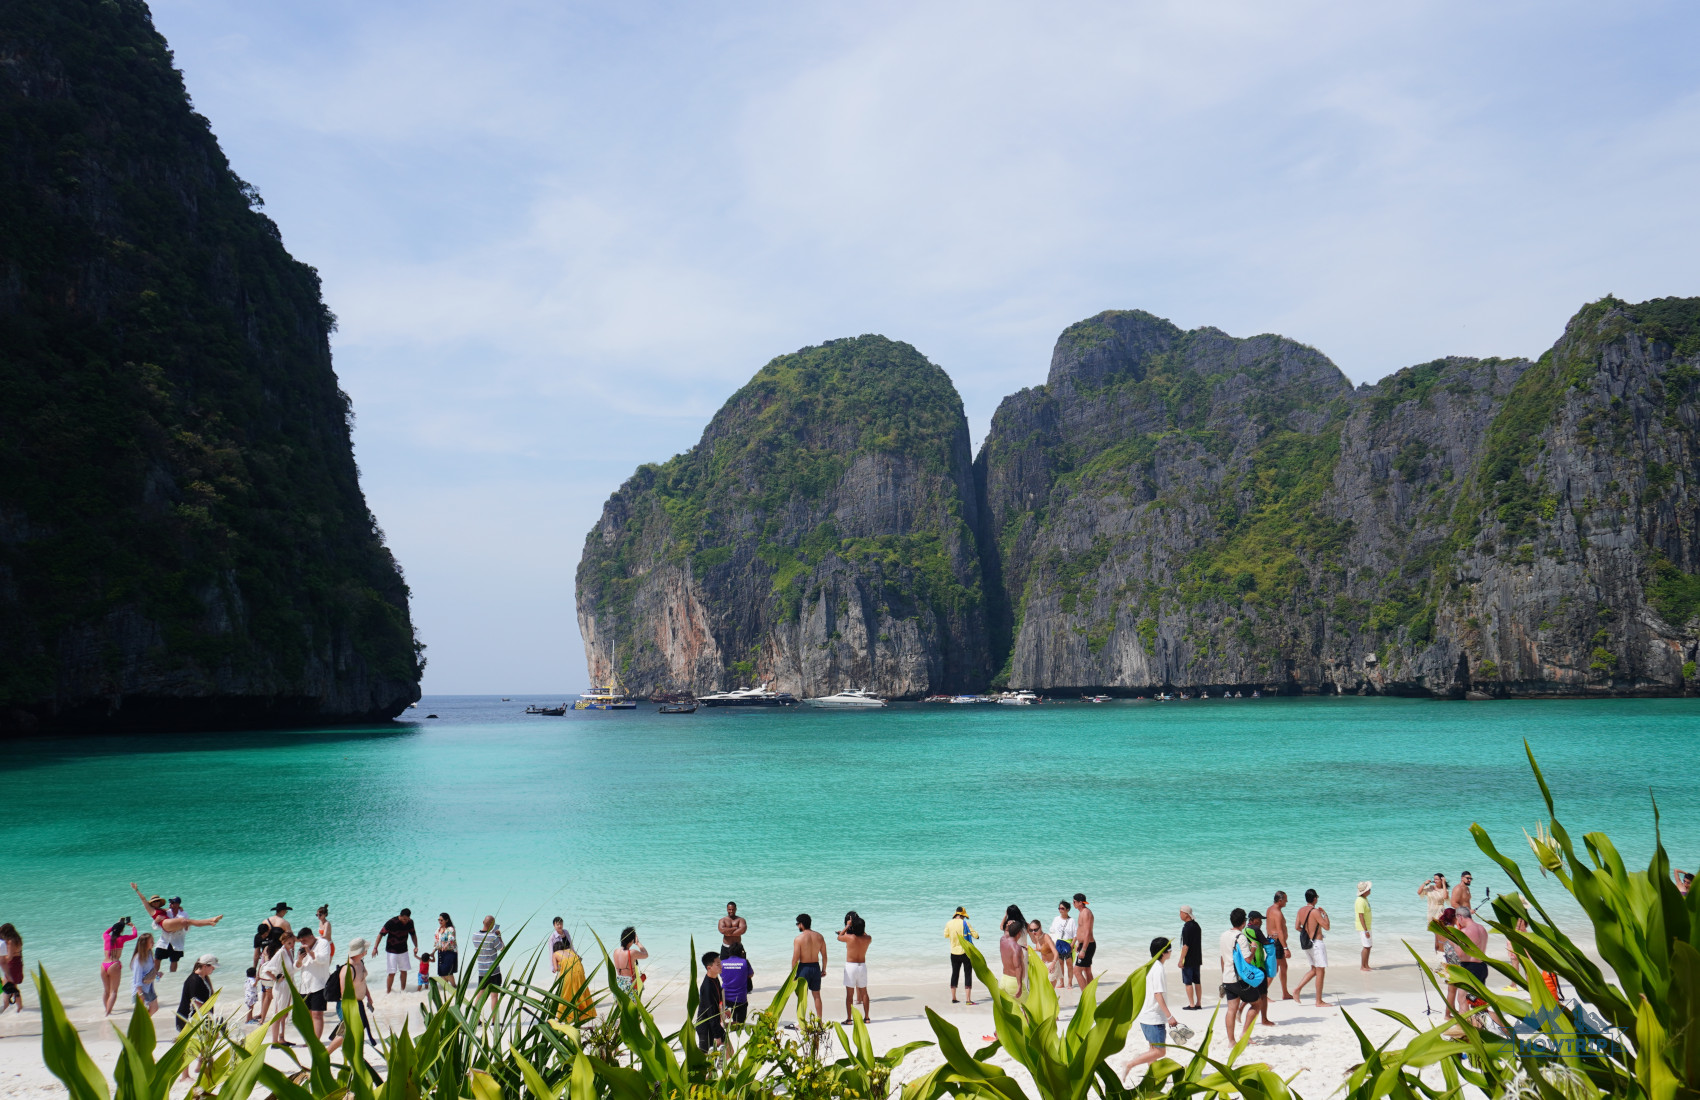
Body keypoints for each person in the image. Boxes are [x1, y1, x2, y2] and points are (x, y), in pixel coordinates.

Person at [1121, 938, 1180, 1081]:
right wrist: (1169, 1016)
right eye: (1170, 950)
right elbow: (1158, 994)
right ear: (1163, 953)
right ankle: (1129, 1064)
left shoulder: (1150, 966)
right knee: (1160, 1051)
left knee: (1153, 1050)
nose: (1171, 952)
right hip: (1153, 1017)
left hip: (1145, 1015)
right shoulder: (1158, 968)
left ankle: (1152, 1078)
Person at [128, 885, 222, 972]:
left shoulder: (165, 910)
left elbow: (184, 925)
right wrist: (136, 890)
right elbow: (144, 900)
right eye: (154, 902)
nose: (156, 903)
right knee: (157, 958)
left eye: (157, 901)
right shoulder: (151, 910)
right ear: (151, 903)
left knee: (188, 922)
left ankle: (210, 921)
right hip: (165, 926)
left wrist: (180, 912)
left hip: (175, 939)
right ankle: (210, 921)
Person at [1290, 889, 1332, 1007]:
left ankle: (1297, 989)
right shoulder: (1315, 911)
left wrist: (1307, 933)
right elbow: (1327, 927)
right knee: (1320, 971)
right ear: (1314, 899)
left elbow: (1297, 927)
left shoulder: (1301, 910)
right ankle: (1319, 1001)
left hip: (1308, 944)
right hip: (1317, 943)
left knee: (1314, 970)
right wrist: (1325, 914)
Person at [294, 926, 334, 1039]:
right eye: (301, 941)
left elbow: (323, 959)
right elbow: (296, 967)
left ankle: (316, 1041)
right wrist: (299, 960)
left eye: (304, 940)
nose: (302, 943)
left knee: (317, 1014)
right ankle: (309, 1039)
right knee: (307, 1015)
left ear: (311, 936)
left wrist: (310, 952)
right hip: (305, 986)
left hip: (319, 984)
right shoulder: (302, 948)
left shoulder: (323, 943)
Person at [260, 929, 299, 1044]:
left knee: (285, 1013)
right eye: (289, 943)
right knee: (278, 1013)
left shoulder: (289, 952)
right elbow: (266, 969)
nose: (292, 945)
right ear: (283, 942)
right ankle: (274, 1041)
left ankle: (281, 1038)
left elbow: (291, 969)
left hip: (289, 984)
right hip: (282, 986)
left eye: (293, 942)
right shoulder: (281, 952)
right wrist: (276, 979)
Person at [1217, 908, 1248, 1044]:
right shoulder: (1241, 937)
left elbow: (1222, 957)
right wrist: (1253, 948)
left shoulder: (1223, 935)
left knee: (1231, 1010)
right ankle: (1245, 1034)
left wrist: (1223, 975)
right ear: (1244, 922)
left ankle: (1231, 1041)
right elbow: (1247, 959)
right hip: (1238, 978)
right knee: (1257, 1003)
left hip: (1227, 977)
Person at [372, 908, 418, 993]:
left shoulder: (410, 922)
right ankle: (388, 992)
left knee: (404, 971)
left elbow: (413, 934)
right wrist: (375, 948)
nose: (405, 921)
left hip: (404, 950)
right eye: (404, 919)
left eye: (407, 919)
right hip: (391, 951)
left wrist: (416, 946)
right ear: (400, 916)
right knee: (392, 972)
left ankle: (403, 990)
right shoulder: (391, 922)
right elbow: (381, 934)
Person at [791, 913, 828, 1018]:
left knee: (802, 997)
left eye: (797, 924)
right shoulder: (820, 936)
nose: (798, 926)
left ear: (801, 924)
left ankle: (801, 1022)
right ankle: (820, 1021)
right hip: (816, 967)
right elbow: (824, 956)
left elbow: (795, 959)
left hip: (804, 968)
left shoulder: (799, 939)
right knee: (817, 996)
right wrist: (824, 969)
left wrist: (793, 975)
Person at [1242, 911, 1276, 1027]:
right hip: (1259, 966)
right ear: (1252, 919)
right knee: (1263, 994)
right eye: (1259, 919)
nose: (1261, 922)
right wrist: (1273, 939)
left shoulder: (1245, 930)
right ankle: (1264, 1019)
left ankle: (1240, 1009)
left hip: (1250, 966)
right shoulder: (1256, 930)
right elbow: (1265, 943)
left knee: (1252, 992)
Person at [551, 936, 595, 1024]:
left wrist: (560, 968)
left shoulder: (555, 954)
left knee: (566, 993)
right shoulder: (570, 950)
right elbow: (579, 959)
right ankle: (581, 1014)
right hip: (580, 972)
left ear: (555, 949)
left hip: (569, 974)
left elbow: (555, 968)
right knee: (579, 991)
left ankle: (566, 1017)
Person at [837, 911, 871, 1024]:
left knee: (849, 994)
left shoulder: (849, 938)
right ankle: (867, 1018)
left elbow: (839, 937)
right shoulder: (868, 938)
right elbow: (863, 933)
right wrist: (858, 925)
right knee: (864, 992)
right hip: (862, 966)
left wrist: (847, 926)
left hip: (851, 966)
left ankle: (849, 1019)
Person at [101, 917, 138, 1015]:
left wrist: (116, 924)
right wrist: (133, 926)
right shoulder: (122, 938)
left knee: (106, 991)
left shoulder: (106, 937)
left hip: (104, 964)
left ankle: (106, 1010)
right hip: (114, 965)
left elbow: (106, 932)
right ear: (121, 931)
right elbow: (135, 935)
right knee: (113, 991)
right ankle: (108, 1013)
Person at [944, 906, 978, 1003]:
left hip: (953, 953)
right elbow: (975, 935)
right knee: (967, 975)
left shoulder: (949, 923)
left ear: (956, 914)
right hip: (965, 953)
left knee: (955, 974)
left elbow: (946, 935)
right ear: (963, 915)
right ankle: (968, 1000)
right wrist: (976, 935)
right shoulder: (965, 923)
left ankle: (954, 998)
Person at [470, 916, 505, 1009]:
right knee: (494, 997)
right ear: (492, 924)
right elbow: (503, 949)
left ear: (483, 922)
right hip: (494, 971)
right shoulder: (493, 937)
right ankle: (494, 1018)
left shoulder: (474, 935)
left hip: (482, 971)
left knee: (480, 995)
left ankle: (475, 1016)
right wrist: (499, 936)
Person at [175, 955, 216, 1033]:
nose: (214, 968)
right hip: (188, 1020)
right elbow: (195, 1003)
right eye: (212, 966)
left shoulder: (203, 978)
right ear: (204, 966)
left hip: (199, 1018)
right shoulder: (194, 981)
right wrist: (211, 1017)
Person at [695, 952, 726, 1052]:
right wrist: (717, 1035)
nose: (721, 966)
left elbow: (719, 998)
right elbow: (710, 1012)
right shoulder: (707, 987)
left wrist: (725, 1009)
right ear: (709, 967)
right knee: (705, 1056)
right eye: (718, 964)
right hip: (706, 1027)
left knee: (729, 1051)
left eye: (720, 963)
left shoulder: (715, 979)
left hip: (714, 1024)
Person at [1266, 892, 1293, 1000]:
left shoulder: (1270, 909)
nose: (1287, 901)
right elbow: (1279, 931)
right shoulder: (1277, 913)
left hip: (1273, 941)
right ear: (1280, 900)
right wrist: (1285, 948)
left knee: (1284, 967)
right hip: (1277, 943)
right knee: (1274, 969)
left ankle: (1285, 993)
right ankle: (1262, 994)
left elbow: (1269, 927)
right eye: (1285, 899)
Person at [720, 943, 753, 1025]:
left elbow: (721, 975)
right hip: (740, 998)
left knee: (722, 1010)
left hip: (725, 997)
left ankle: (723, 1023)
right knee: (739, 1023)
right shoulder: (745, 962)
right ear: (742, 952)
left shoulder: (722, 963)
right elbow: (751, 974)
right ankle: (734, 1023)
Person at [1177, 906, 1203, 1009]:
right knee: (1197, 981)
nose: (1180, 915)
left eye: (1181, 913)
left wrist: (1180, 960)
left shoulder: (1186, 928)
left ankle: (1192, 1004)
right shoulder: (1197, 926)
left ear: (1186, 914)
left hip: (1188, 959)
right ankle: (1198, 1003)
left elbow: (1185, 946)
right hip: (1197, 958)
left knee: (1188, 982)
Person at [1418, 874, 1450, 951]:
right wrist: (1424, 883)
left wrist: (1443, 883)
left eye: (1437, 879)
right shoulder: (1430, 888)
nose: (1435, 881)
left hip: (1440, 912)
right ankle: (1438, 950)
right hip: (1431, 912)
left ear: (1441, 880)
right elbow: (1419, 892)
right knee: (1436, 933)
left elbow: (1445, 897)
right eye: (1434, 879)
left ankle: (1440, 950)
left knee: (1440, 933)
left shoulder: (1444, 890)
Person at [131, 933, 161, 1016]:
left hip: (149, 986)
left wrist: (157, 974)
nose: (153, 943)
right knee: (144, 1012)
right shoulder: (138, 958)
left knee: (154, 1008)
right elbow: (137, 976)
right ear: (144, 943)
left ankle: (144, 1022)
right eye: (151, 941)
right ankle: (142, 1023)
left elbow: (150, 970)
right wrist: (140, 993)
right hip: (141, 988)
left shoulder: (149, 953)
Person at [612, 926, 647, 996]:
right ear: (631, 941)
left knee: (620, 1003)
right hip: (630, 984)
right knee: (633, 1003)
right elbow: (645, 955)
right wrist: (638, 943)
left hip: (618, 984)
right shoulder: (632, 953)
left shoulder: (615, 952)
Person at [1050, 900, 1076, 989]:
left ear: (1067, 909)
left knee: (1069, 965)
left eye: (1062, 908)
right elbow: (1052, 932)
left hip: (1068, 944)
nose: (1060, 910)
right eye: (1059, 908)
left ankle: (1070, 983)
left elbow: (1075, 935)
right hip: (1058, 944)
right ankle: (1061, 983)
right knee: (1060, 964)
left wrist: (1072, 946)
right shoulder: (1056, 919)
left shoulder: (1071, 920)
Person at [1072, 893, 1096, 988]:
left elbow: (1087, 932)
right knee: (1087, 970)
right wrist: (1079, 943)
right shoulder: (1082, 912)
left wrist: (1084, 949)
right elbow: (1081, 930)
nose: (1073, 903)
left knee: (1076, 971)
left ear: (1080, 902)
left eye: (1074, 901)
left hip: (1088, 945)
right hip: (1085, 944)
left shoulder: (1086, 913)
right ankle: (1090, 994)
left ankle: (1085, 994)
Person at [998, 919, 1026, 997]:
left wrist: (1008, 925)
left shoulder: (1002, 940)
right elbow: (1018, 967)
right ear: (1019, 933)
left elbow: (1006, 932)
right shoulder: (1016, 948)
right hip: (1014, 983)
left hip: (1004, 980)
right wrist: (1019, 986)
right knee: (1027, 1004)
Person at [1028, 920, 1059, 988]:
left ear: (1040, 927)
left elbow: (1056, 953)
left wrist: (1052, 965)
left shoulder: (1046, 937)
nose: (1033, 932)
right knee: (1042, 988)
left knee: (1050, 990)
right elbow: (1041, 949)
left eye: (1035, 929)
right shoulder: (1037, 936)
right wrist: (1030, 949)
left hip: (1052, 965)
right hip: (1043, 965)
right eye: (1031, 930)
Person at [0, 924, 23, 1012]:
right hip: (18, 964)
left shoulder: (10, 942)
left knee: (6, 987)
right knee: (13, 987)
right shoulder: (18, 940)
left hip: (12, 965)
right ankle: (19, 1008)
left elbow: (9, 957)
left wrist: (2, 958)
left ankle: (5, 1007)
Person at [434, 913, 458, 986]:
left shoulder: (450, 929)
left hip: (450, 952)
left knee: (448, 971)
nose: (440, 922)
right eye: (439, 920)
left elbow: (451, 939)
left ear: (446, 920)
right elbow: (436, 942)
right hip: (441, 952)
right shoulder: (438, 930)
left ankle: (454, 986)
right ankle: (445, 987)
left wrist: (446, 945)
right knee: (442, 972)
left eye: (441, 920)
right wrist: (433, 952)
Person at [1355, 882, 1373, 971]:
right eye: (1368, 889)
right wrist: (1365, 930)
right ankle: (1363, 966)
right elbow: (1360, 916)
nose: (1370, 890)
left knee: (1369, 946)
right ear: (1364, 891)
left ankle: (1366, 965)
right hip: (1363, 928)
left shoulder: (1365, 899)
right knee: (1366, 946)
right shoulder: (1360, 901)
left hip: (1367, 926)